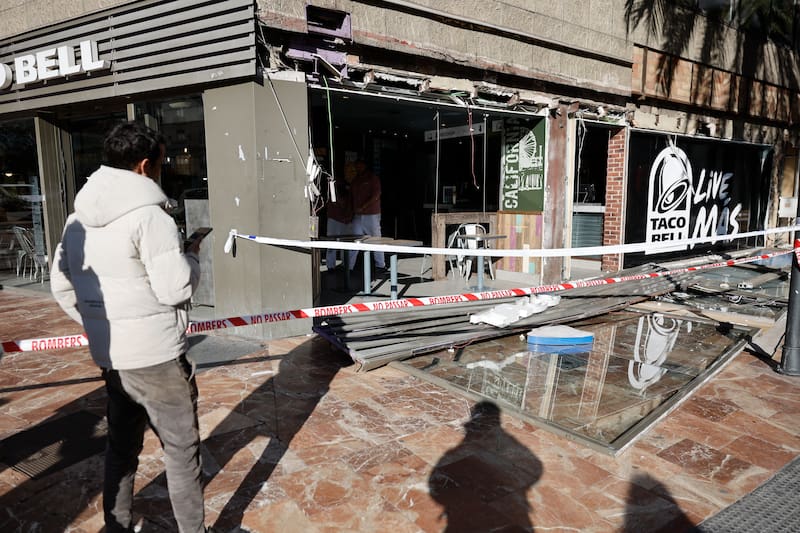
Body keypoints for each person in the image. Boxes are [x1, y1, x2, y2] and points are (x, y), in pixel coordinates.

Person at [50, 122, 207, 533]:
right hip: (157, 358)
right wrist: (192, 257)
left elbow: (62, 286)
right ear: (143, 166)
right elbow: (175, 288)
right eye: (160, 161)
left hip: (112, 355)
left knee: (121, 450)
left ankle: (116, 526)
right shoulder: (150, 217)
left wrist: (99, 322)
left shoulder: (75, 220)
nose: (162, 168)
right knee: (181, 454)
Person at [348, 159, 385, 273]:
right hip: (358, 215)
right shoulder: (355, 180)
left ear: (364, 165)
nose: (358, 167)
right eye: (356, 165)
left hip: (371, 214)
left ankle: (380, 265)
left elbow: (376, 195)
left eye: (359, 165)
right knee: (355, 239)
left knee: (375, 239)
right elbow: (351, 196)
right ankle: (349, 266)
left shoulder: (372, 178)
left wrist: (364, 206)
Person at [325, 175, 354, 271]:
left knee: (346, 244)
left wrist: (349, 217)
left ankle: (347, 266)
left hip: (345, 219)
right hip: (334, 218)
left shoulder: (349, 187)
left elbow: (349, 204)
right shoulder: (333, 188)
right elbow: (338, 202)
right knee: (332, 243)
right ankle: (331, 266)